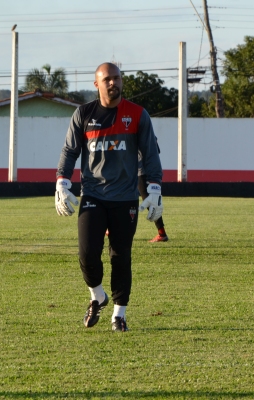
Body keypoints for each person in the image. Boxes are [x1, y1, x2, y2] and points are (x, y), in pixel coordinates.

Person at [55, 62, 163, 332]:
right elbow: (70, 151)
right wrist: (62, 182)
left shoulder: (138, 115)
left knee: (120, 256)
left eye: (117, 78)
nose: (113, 83)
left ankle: (119, 314)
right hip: (92, 194)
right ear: (97, 84)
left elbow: (150, 154)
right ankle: (98, 296)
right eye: (107, 79)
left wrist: (154, 188)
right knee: (87, 253)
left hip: (125, 197)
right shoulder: (83, 114)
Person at [138, 149, 168, 242]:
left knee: (148, 201)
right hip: (144, 170)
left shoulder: (141, 135)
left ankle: (162, 233)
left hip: (144, 171)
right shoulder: (149, 135)